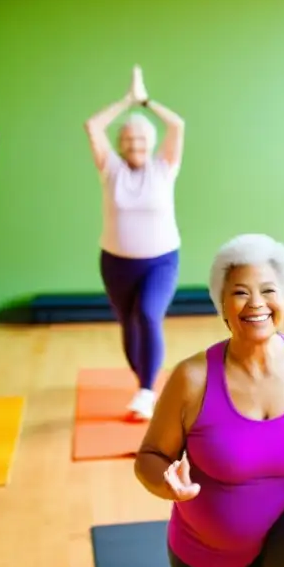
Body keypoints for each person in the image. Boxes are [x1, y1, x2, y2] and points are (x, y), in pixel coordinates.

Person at [135, 233, 284, 567]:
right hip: (209, 552)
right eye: (240, 292)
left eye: (269, 290)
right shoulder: (191, 378)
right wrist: (166, 484)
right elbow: (150, 456)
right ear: (221, 305)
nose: (256, 303)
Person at [84, 66, 186, 421]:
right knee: (128, 325)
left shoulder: (164, 168)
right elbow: (92, 126)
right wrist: (125, 102)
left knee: (147, 314)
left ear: (151, 143)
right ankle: (140, 379)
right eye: (128, 140)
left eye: (141, 140)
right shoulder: (110, 169)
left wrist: (146, 102)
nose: (135, 146)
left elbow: (178, 126)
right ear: (120, 144)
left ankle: (146, 390)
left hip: (160, 261)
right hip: (116, 262)